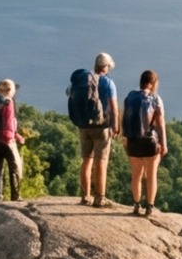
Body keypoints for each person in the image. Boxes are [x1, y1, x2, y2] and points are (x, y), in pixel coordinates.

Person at [71, 53, 120, 206]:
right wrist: (115, 126)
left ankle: (85, 196)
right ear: (107, 67)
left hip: (84, 126)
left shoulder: (83, 80)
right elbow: (114, 108)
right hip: (101, 127)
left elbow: (70, 94)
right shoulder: (108, 83)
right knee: (101, 162)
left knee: (86, 160)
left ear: (95, 65)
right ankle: (100, 198)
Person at [122, 70, 168, 216]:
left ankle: (136, 205)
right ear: (152, 83)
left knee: (136, 175)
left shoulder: (130, 96)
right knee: (151, 175)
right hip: (150, 142)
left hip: (133, 141)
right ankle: (149, 207)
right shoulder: (155, 98)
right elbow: (160, 124)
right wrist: (164, 144)